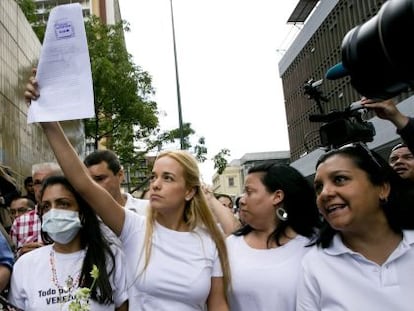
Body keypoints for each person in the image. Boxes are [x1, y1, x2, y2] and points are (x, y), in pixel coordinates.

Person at [25, 76, 230, 310]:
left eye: (168, 178)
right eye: (153, 176)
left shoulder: (210, 241)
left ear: (190, 191)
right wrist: (48, 121)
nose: (155, 184)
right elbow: (83, 183)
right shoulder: (135, 229)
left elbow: (218, 303)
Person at [296, 142, 414, 310]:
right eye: (318, 187)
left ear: (382, 188)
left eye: (340, 179)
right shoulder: (314, 264)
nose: (325, 193)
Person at [8, 175, 128, 310]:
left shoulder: (110, 258)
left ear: (82, 211)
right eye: (46, 206)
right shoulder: (25, 265)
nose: (53, 212)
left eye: (63, 203)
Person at [227, 163, 321, 311]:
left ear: (277, 196)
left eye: (249, 192)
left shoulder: (314, 245)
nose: (242, 200)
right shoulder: (230, 246)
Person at [9, 162, 62, 257]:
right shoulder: (19, 222)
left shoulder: (70, 218)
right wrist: (20, 254)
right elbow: (8, 259)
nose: (42, 187)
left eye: (48, 180)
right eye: (37, 183)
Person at [83, 149, 148, 215]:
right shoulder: (83, 217)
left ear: (120, 175)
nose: (93, 185)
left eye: (100, 179)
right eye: (89, 181)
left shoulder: (148, 210)